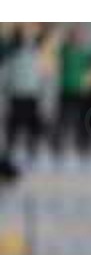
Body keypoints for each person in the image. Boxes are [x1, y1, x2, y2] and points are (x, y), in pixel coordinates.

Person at [3, 23, 53, 159]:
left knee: (34, 127)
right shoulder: (11, 56)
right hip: (16, 95)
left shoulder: (37, 55)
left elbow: (44, 77)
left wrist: (45, 96)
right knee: (13, 127)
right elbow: (5, 75)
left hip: (32, 96)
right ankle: (10, 153)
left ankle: (33, 152)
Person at [54, 25, 91, 153]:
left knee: (83, 119)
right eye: (75, 35)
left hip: (80, 91)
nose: (77, 38)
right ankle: (59, 144)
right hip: (65, 89)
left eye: (79, 35)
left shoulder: (87, 52)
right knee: (63, 119)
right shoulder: (64, 50)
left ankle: (83, 144)